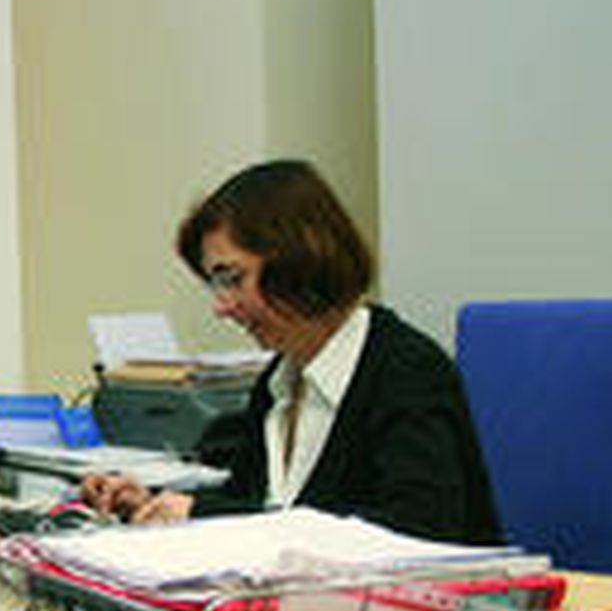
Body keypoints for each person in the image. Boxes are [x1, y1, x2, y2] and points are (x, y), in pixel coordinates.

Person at [83, 159, 500, 545]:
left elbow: (418, 532)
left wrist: (202, 514)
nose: (221, 306)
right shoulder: (279, 380)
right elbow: (256, 503)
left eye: (232, 278)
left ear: (298, 259)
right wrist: (153, 502)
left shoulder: (406, 370)